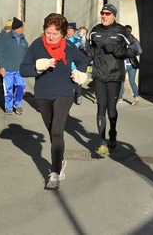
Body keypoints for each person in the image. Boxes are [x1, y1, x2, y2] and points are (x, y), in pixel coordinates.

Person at [19, 13, 88, 189]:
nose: (50, 36)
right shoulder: (37, 45)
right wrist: (38, 67)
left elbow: (83, 60)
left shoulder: (69, 47)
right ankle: (61, 159)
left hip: (64, 92)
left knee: (57, 132)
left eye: (55, 33)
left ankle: (55, 173)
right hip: (42, 95)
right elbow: (23, 70)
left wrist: (80, 74)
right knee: (52, 132)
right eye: (48, 32)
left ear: (63, 33)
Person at [88, 4, 138, 157]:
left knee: (111, 110)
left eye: (108, 14)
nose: (104, 16)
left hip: (115, 75)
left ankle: (113, 131)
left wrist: (117, 50)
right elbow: (89, 50)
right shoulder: (94, 31)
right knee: (100, 108)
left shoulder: (122, 31)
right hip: (99, 75)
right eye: (102, 13)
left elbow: (137, 49)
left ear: (114, 15)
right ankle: (102, 142)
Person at [0, 17, 28, 115]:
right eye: (22, 27)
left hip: (20, 69)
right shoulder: (5, 39)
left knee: (21, 86)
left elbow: (27, 51)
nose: (23, 29)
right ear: (17, 28)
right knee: (8, 89)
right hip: (8, 69)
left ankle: (17, 104)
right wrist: (2, 67)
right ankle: (8, 107)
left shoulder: (23, 39)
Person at [118, 24, 141, 105]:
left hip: (124, 63)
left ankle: (120, 98)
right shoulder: (135, 40)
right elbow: (139, 51)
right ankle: (136, 96)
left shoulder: (122, 40)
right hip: (133, 63)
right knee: (132, 80)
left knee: (121, 80)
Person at [66, 22, 85, 105]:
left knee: (77, 81)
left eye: (71, 31)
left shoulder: (76, 39)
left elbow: (83, 43)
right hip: (65, 65)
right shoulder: (62, 39)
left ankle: (78, 96)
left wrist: (81, 35)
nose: (69, 32)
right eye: (68, 30)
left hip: (74, 65)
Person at [0, 19, 13, 88]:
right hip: (2, 59)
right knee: (3, 73)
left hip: (10, 61)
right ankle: (1, 83)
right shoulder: (0, 36)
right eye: (7, 29)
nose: (8, 31)